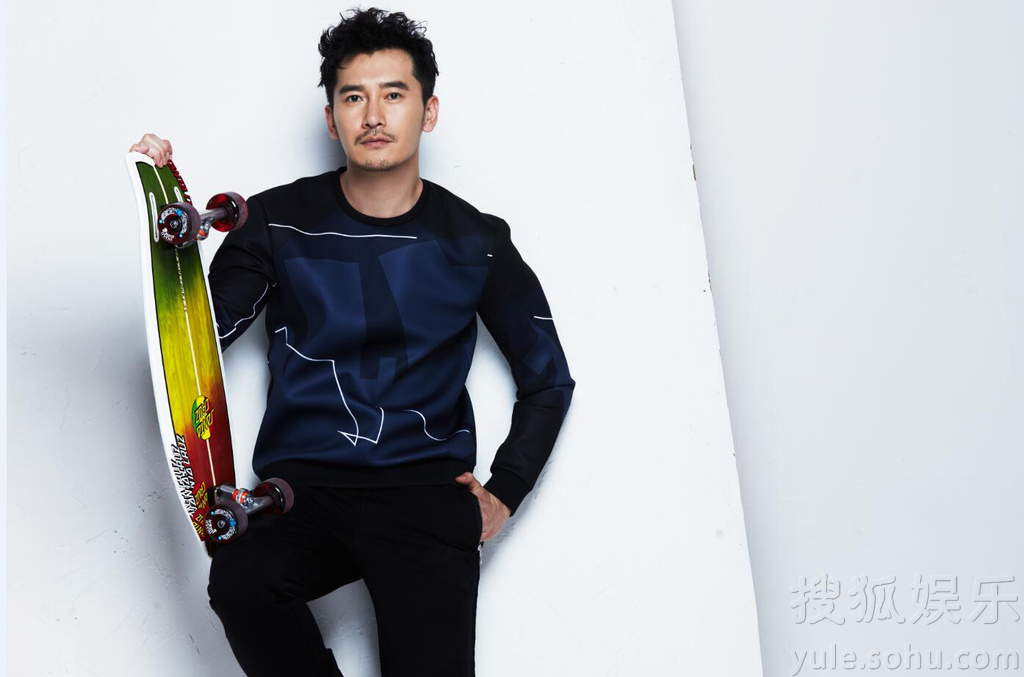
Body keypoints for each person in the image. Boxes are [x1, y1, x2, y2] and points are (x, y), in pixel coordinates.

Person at [130, 7, 574, 677]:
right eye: (353, 97)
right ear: (332, 117)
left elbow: (548, 380)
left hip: (426, 494)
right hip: (301, 492)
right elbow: (200, 336)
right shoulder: (274, 221)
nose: (373, 114)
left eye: (394, 94)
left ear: (428, 111)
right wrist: (167, 212)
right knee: (242, 580)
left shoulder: (475, 239)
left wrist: (504, 492)